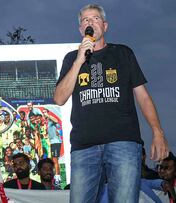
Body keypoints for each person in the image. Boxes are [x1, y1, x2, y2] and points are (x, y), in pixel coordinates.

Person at [53, 4, 169, 202]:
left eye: (95, 18)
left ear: (105, 26)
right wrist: (79, 61)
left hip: (123, 142)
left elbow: (142, 95)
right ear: (81, 29)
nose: (90, 22)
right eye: (85, 20)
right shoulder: (72, 58)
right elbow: (59, 98)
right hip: (84, 146)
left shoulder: (123, 53)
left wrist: (158, 132)